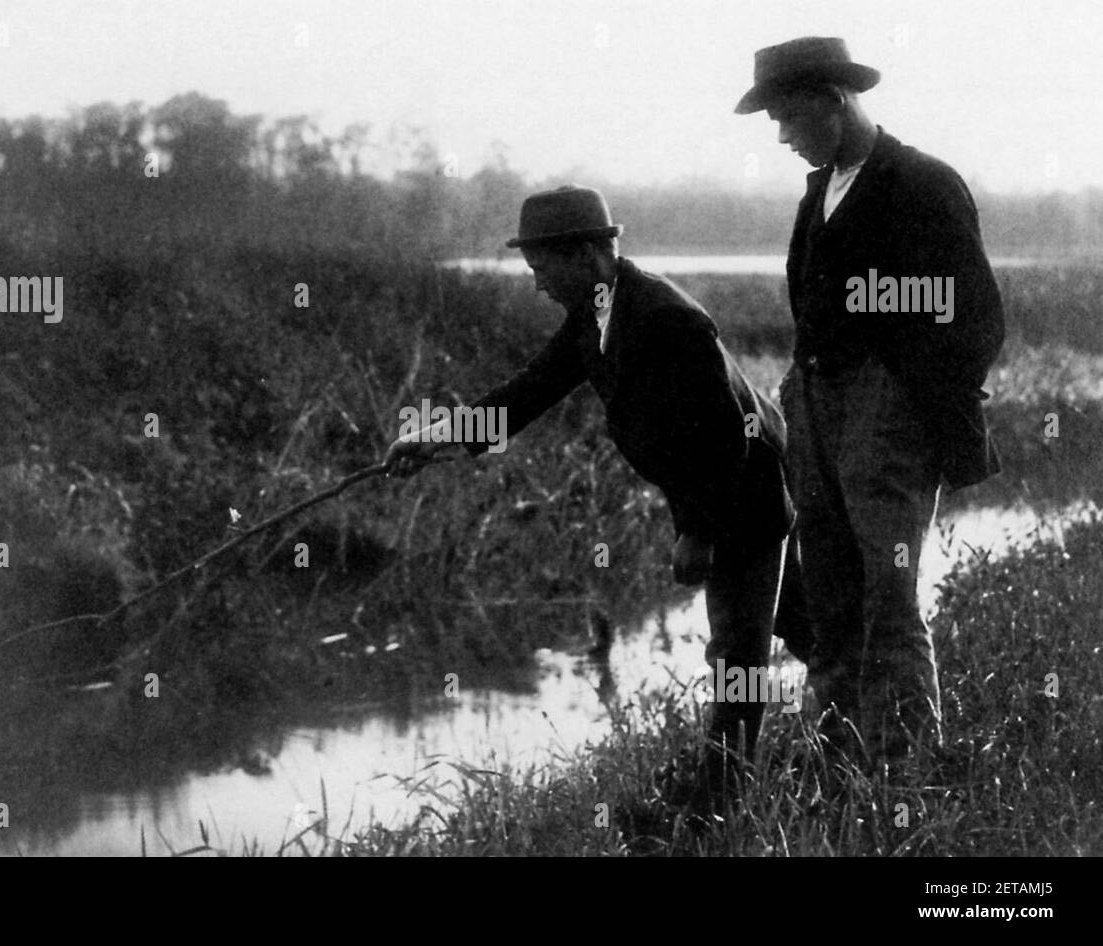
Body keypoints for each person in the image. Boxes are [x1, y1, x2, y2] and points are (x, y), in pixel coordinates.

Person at [385, 185, 797, 790]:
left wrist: (699, 533)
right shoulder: (597, 315)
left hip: (743, 496)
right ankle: (852, 734)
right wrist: (434, 439)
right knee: (805, 626)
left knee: (737, 656)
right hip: (718, 490)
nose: (537, 282)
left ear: (584, 254)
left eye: (541, 266)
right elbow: (529, 391)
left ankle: (721, 800)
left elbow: (726, 437)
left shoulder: (667, 318)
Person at [735, 37, 1005, 762]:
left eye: (790, 118)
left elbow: (973, 318)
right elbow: (810, 307)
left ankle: (904, 770)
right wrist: (805, 395)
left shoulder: (922, 184)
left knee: (888, 598)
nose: (785, 137)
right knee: (827, 592)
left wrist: (908, 402)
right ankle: (838, 760)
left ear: (834, 99)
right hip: (816, 404)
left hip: (891, 411)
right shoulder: (817, 192)